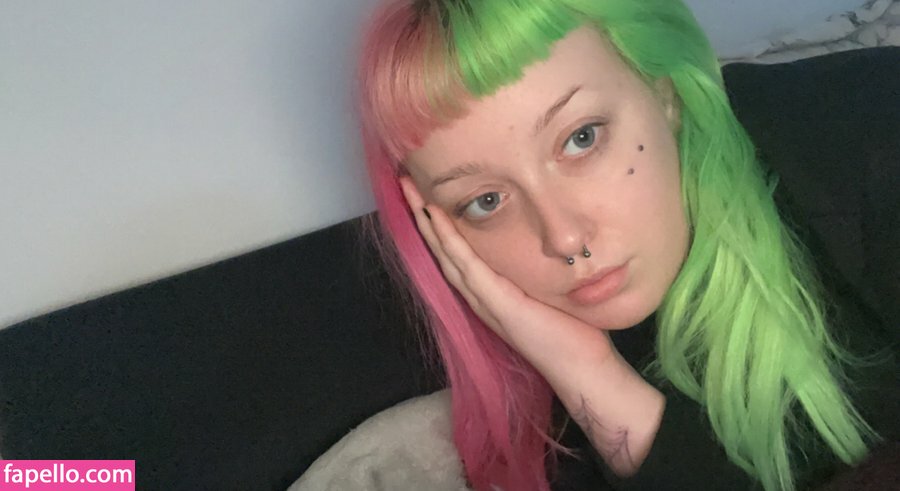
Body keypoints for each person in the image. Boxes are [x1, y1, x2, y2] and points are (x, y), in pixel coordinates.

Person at [355, 1, 898, 490]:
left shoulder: (870, 136)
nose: (565, 238)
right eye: (486, 201)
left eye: (581, 138)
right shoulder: (546, 345)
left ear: (663, 92)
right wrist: (590, 378)